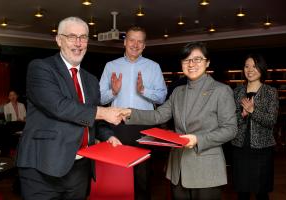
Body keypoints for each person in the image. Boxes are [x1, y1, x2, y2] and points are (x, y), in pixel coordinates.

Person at [16, 16, 123, 200]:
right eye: (72, 36)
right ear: (59, 40)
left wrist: (108, 136)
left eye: (83, 37)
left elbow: (92, 119)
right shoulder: (41, 68)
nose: (79, 43)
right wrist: (104, 112)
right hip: (42, 167)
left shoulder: (91, 80)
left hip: (80, 170)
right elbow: (59, 106)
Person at [122, 42, 237, 200]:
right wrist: (129, 113)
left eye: (197, 59)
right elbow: (159, 115)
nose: (191, 64)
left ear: (207, 62)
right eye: (186, 60)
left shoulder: (221, 91)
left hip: (206, 171)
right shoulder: (178, 92)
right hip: (179, 168)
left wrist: (198, 140)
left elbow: (230, 129)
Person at [99, 26, 167, 200]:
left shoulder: (153, 67)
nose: (135, 44)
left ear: (144, 45)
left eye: (140, 41)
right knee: (117, 172)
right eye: (131, 40)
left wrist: (143, 90)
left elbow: (161, 97)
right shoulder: (111, 66)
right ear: (125, 42)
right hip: (117, 126)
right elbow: (100, 98)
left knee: (142, 176)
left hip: (144, 126)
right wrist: (113, 92)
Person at [231, 54, 279, 200]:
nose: (250, 70)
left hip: (262, 150)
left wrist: (253, 111)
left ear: (261, 69)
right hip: (240, 148)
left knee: (261, 192)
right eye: (247, 66)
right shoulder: (237, 92)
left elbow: (271, 120)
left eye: (254, 66)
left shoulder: (270, 92)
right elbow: (231, 120)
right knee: (242, 191)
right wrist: (243, 115)